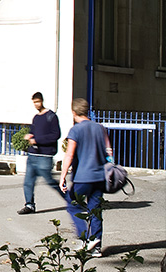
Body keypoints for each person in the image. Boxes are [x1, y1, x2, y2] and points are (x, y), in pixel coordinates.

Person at [59, 98, 112, 257]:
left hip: (83, 177)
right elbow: (109, 151)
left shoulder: (75, 130)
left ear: (74, 112)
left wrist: (62, 176)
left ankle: (85, 238)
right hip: (99, 177)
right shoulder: (100, 128)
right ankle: (95, 245)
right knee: (95, 210)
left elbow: (69, 154)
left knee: (72, 203)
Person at [18, 91, 62, 214]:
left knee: (51, 182)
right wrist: (30, 135)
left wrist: (37, 140)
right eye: (34, 103)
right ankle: (29, 205)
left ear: (42, 101)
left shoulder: (51, 116)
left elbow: (56, 135)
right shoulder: (36, 118)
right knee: (28, 182)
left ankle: (71, 200)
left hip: (44, 155)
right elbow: (34, 132)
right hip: (32, 155)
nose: (36, 105)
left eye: (38, 102)